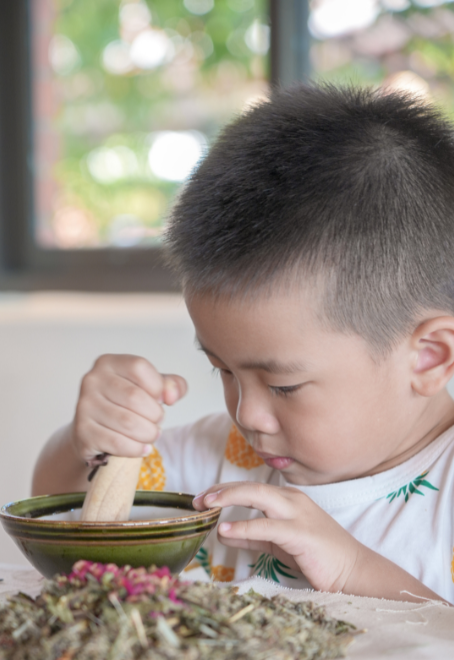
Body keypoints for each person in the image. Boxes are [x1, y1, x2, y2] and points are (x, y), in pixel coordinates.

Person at [32, 85, 454, 604]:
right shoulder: (218, 462)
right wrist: (88, 444)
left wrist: (352, 572)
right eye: (223, 371)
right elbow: (66, 517)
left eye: (284, 385)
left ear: (429, 356)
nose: (247, 414)